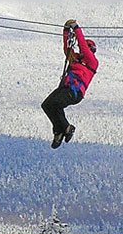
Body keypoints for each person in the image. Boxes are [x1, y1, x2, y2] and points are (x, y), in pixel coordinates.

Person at [41, 19, 98, 149]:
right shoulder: (76, 59)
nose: (82, 50)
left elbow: (83, 45)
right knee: (47, 105)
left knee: (54, 104)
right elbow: (67, 49)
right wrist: (66, 31)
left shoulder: (92, 62)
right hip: (65, 88)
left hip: (74, 92)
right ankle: (59, 131)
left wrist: (76, 28)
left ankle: (66, 128)